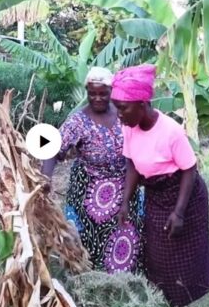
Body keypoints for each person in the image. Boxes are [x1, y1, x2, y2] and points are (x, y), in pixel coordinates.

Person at [113, 64, 209, 307]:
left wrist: (179, 213)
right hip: (156, 195)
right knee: (159, 251)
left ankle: (181, 304)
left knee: (186, 251)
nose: (119, 115)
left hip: (184, 194)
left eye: (123, 108)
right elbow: (132, 166)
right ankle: (165, 299)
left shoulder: (170, 131)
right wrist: (125, 201)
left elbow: (190, 169)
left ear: (142, 103)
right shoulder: (129, 128)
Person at [41, 67, 144, 274]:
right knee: (88, 242)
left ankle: (124, 284)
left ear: (111, 92)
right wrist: (45, 179)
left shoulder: (123, 113)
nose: (97, 98)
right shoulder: (78, 121)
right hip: (89, 193)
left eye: (103, 93)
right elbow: (52, 149)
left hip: (125, 188)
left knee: (127, 239)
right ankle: (90, 282)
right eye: (92, 93)